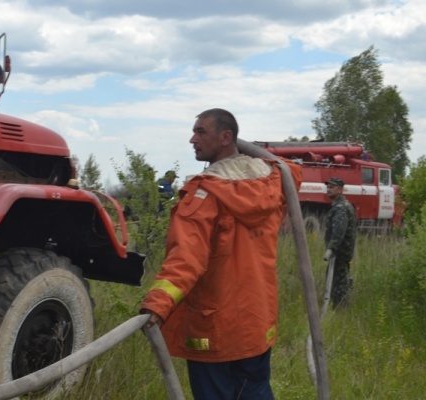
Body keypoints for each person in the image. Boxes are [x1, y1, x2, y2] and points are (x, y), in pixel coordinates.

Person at [140, 108, 301, 399]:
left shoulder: (204, 195)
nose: (192, 139)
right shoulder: (273, 181)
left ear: (226, 137)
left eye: (201, 132)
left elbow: (186, 258)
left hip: (214, 328)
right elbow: (293, 170)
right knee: (255, 391)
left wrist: (159, 302)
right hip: (256, 322)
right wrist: (251, 153)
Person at [322, 177, 357, 309]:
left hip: (340, 251)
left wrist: (331, 249)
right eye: (328, 186)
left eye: (332, 187)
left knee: (338, 280)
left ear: (340, 190)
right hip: (342, 251)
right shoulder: (340, 206)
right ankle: (339, 306)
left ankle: (341, 308)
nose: (328, 189)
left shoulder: (341, 208)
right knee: (339, 278)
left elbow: (339, 230)